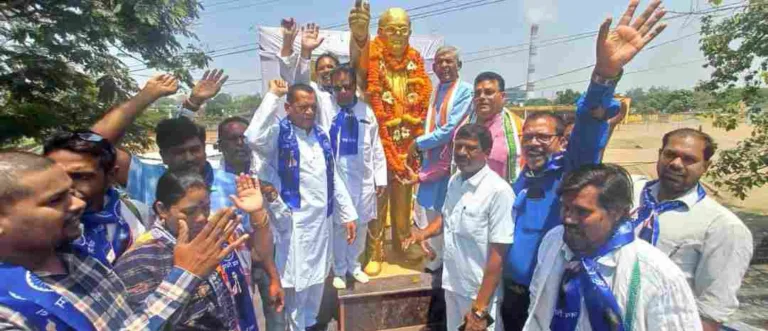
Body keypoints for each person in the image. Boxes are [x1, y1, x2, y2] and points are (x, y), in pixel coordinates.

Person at [502, 1, 669, 329]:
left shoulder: (572, 173)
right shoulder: (520, 179)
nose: (533, 142)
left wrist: (604, 78)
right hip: (513, 295)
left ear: (560, 141)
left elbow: (589, 126)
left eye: (542, 137)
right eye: (528, 136)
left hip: (554, 296)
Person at [0, 151, 248, 331]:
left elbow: (137, 321)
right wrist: (184, 276)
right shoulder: (8, 310)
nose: (78, 204)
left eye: (70, 193)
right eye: (55, 200)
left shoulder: (78, 260)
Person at [524, 163, 701, 331]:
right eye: (565, 207)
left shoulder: (657, 275)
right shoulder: (554, 241)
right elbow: (537, 308)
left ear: (617, 212)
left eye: (582, 212)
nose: (568, 219)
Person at [245, 80, 358, 330]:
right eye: (302, 107)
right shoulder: (277, 135)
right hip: (293, 226)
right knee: (294, 291)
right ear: (288, 108)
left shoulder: (320, 136)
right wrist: (273, 95)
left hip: (321, 225)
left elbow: (333, 177)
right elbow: (252, 137)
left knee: (316, 287)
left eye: (312, 107)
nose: (309, 112)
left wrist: (348, 214)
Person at [115, 170, 280, 331]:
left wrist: (257, 212)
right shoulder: (141, 261)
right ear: (162, 209)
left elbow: (258, 254)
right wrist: (184, 275)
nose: (202, 217)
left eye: (206, 207)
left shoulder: (217, 234)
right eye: (189, 212)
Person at [630, 128, 753, 330]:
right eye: (670, 154)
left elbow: (711, 312)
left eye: (689, 159)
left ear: (706, 166)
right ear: (659, 154)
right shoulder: (628, 191)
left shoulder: (722, 227)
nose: (676, 164)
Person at [348, 0, 433, 272]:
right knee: (378, 198)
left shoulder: (416, 61)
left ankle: (402, 245)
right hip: (378, 144)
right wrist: (360, 37)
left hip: (406, 143)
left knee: (403, 202)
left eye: (403, 29)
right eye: (391, 30)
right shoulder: (373, 56)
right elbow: (358, 68)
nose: (398, 35)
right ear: (381, 31)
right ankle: (374, 253)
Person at [405, 124, 515, 331]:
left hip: (478, 294)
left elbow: (498, 257)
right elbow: (447, 218)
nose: (462, 153)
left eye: (471, 148)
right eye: (459, 146)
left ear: (487, 152)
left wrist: (479, 309)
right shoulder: (455, 180)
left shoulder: (499, 192)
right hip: (453, 283)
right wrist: (423, 233)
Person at [406, 45, 473, 273]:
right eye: (439, 62)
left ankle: (451, 261)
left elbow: (448, 130)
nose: (444, 66)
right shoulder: (436, 91)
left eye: (449, 61)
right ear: (433, 67)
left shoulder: (464, 91)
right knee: (432, 209)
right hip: (432, 160)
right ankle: (436, 258)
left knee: (450, 210)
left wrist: (417, 143)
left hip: (452, 160)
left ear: (459, 65)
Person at [43, 131, 148, 266]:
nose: (66, 187)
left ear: (111, 176)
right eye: (56, 176)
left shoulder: (138, 214)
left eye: (81, 177)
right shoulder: (36, 227)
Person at [326, 64, 388, 288]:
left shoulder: (366, 111)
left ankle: (354, 266)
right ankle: (339, 271)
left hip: (363, 180)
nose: (342, 92)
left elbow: (376, 146)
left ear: (355, 87)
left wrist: (380, 178)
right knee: (340, 226)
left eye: (347, 87)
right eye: (337, 87)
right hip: (338, 181)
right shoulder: (326, 110)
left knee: (361, 226)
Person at [279, 18, 339, 131]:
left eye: (330, 67)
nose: (326, 70)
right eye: (321, 68)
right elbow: (298, 81)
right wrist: (305, 51)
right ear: (316, 74)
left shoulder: (347, 93)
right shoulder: (314, 91)